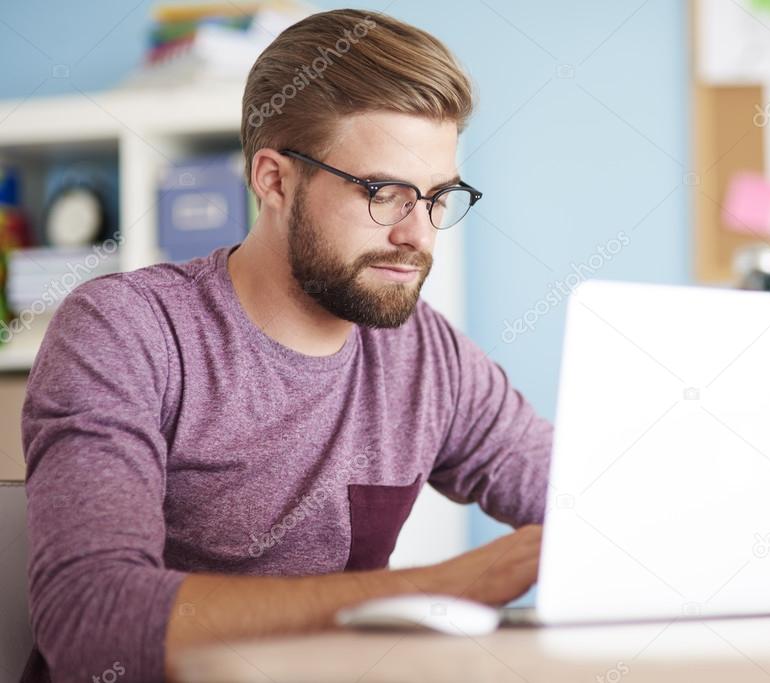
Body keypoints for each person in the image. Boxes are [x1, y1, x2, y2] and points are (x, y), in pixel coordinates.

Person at [20, 10, 551, 682]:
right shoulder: (126, 331)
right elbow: (93, 622)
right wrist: (444, 588)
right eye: (385, 193)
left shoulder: (427, 358)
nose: (417, 234)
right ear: (273, 180)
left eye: (437, 197)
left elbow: (590, 504)